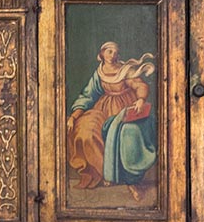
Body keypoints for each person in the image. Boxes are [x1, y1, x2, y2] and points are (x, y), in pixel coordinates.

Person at [66, 41, 156, 201]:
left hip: (125, 107)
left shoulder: (125, 70)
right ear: (101, 54)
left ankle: (128, 179)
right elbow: (88, 95)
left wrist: (141, 99)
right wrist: (74, 115)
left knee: (126, 133)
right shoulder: (99, 72)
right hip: (104, 108)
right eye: (109, 51)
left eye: (115, 52)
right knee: (86, 129)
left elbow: (139, 84)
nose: (112, 55)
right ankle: (103, 171)